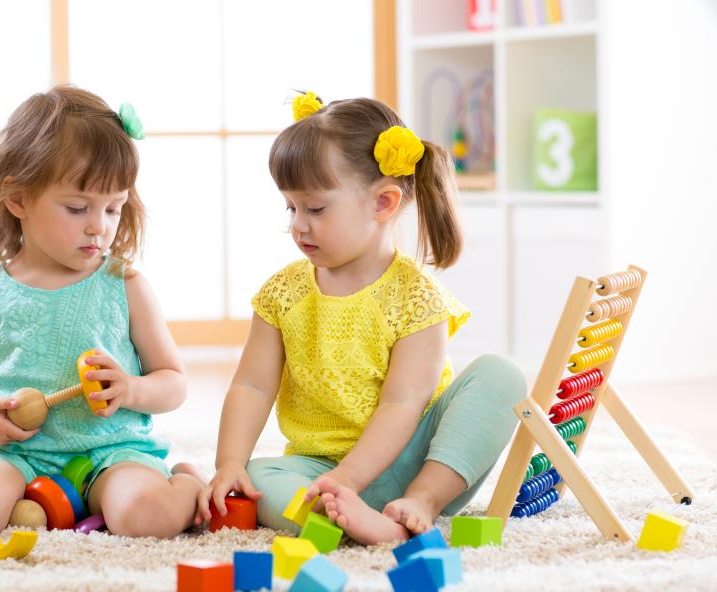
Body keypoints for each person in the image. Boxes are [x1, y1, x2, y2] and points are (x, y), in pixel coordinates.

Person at [0, 85, 204, 539]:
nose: (98, 227)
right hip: (19, 458)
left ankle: (185, 478)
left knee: (149, 517)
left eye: (113, 208)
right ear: (19, 199)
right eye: (77, 207)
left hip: (113, 452)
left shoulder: (125, 285)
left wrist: (132, 389)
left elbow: (174, 383)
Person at [197, 92, 526, 545]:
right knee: (261, 476)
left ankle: (421, 504)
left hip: (417, 460)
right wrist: (229, 463)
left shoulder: (416, 299)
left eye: (315, 209)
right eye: (290, 208)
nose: (298, 224)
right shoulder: (282, 294)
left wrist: (353, 478)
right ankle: (350, 520)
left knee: (500, 377)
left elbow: (402, 404)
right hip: (318, 468)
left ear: (383, 203)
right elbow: (251, 386)